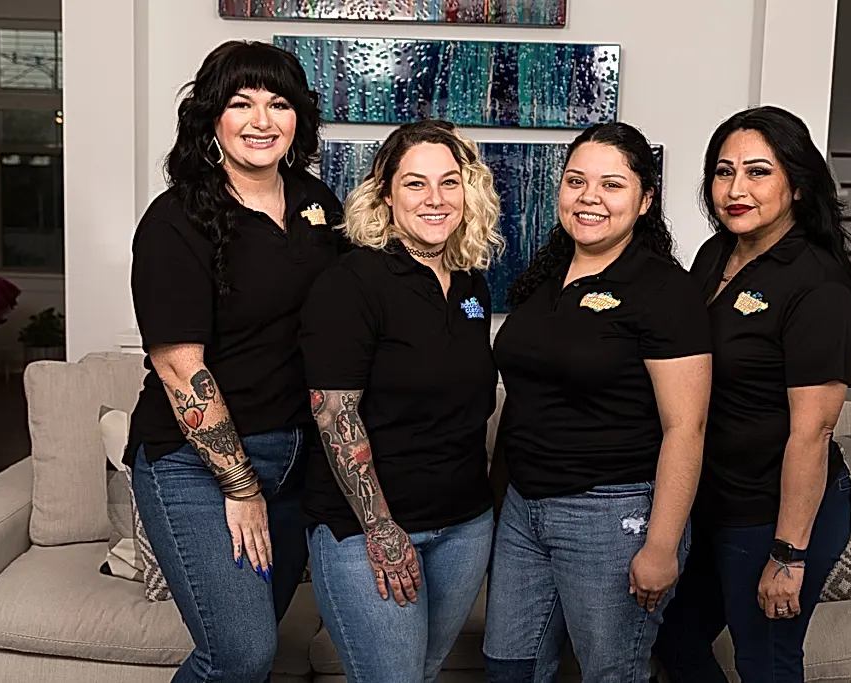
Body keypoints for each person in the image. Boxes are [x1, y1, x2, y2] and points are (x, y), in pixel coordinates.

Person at [124, 40, 346, 683]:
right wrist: (240, 486)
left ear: (298, 118)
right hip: (197, 465)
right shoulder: (176, 220)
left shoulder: (316, 203)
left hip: (298, 461)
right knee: (240, 657)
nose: (261, 119)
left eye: (278, 103)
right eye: (240, 102)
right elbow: (177, 366)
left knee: (255, 650)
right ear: (210, 117)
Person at [482, 122, 713, 683]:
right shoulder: (544, 277)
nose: (589, 197)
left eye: (612, 184)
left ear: (645, 200)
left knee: (612, 672)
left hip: (612, 511)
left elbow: (688, 428)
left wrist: (660, 546)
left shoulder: (664, 291)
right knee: (509, 668)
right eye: (575, 181)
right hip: (524, 508)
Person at [653, 105, 851, 682]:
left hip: (772, 514)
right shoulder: (715, 255)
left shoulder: (819, 284)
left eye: (758, 172)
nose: (736, 189)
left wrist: (788, 554)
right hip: (713, 503)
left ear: (797, 185)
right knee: (674, 646)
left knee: (766, 665)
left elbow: (813, 431)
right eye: (723, 172)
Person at [298, 119, 504, 683]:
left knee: (424, 672)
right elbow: (335, 414)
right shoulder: (353, 282)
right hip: (369, 528)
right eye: (415, 184)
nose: (435, 200)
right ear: (385, 195)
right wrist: (382, 530)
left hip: (465, 524)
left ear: (470, 190)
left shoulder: (471, 284)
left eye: (450, 182)